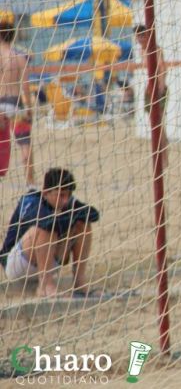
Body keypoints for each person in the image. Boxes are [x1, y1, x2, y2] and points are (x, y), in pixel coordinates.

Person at [0, 168, 100, 298]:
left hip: (47, 261)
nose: (65, 200)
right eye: (61, 195)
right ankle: (45, 286)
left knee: (83, 224)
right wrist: (69, 216)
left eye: (68, 195)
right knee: (47, 228)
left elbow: (93, 214)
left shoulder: (68, 202)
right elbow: (45, 222)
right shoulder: (31, 200)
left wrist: (73, 211)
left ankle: (79, 284)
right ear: (46, 192)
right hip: (16, 264)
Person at [0, 20, 35, 185]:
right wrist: (29, 108)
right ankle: (30, 181)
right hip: (15, 104)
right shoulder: (20, 58)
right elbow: (26, 87)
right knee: (24, 144)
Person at [135, 24, 169, 166]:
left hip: (158, 89)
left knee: (158, 124)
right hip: (149, 90)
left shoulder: (155, 49)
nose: (139, 39)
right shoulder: (142, 50)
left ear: (148, 36)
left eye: (142, 36)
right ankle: (160, 156)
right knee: (153, 123)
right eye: (138, 37)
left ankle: (164, 157)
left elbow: (162, 70)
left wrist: (160, 88)